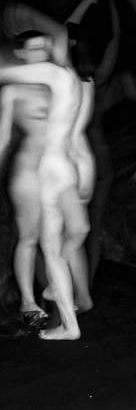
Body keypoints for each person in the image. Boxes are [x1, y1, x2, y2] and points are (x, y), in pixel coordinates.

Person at [0, 48, 92, 339]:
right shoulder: (57, 78)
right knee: (45, 243)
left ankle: (58, 293)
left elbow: (77, 135)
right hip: (47, 170)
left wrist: (85, 167)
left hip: (58, 169)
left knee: (75, 234)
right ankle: (64, 321)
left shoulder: (63, 78)